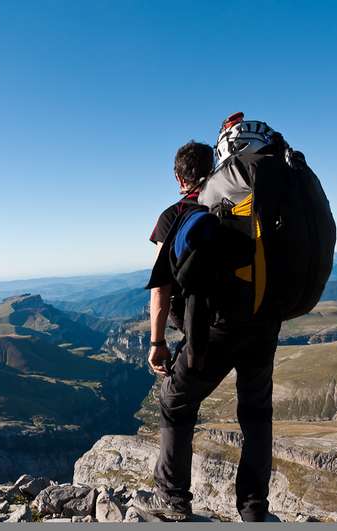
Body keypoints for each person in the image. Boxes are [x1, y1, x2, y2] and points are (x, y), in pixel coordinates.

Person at [134, 139, 282, 522]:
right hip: (263, 323)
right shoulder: (244, 202)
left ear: (177, 175)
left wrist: (157, 342)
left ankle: (173, 500)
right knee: (256, 413)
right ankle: (253, 510)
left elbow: (161, 286)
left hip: (213, 330)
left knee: (176, 401)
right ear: (216, 166)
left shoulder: (177, 214)